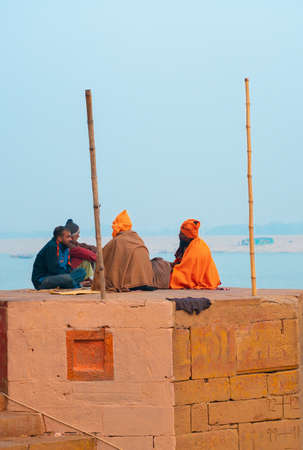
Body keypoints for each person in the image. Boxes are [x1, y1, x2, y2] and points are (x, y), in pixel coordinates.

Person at [93, 210, 154, 292]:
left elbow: (102, 257)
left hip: (131, 284)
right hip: (147, 281)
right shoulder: (138, 238)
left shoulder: (117, 241)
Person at [170, 219, 221, 290]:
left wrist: (172, 271)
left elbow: (187, 273)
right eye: (180, 233)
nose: (179, 236)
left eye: (182, 234)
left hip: (206, 281)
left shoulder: (196, 249)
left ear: (188, 236)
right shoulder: (192, 244)